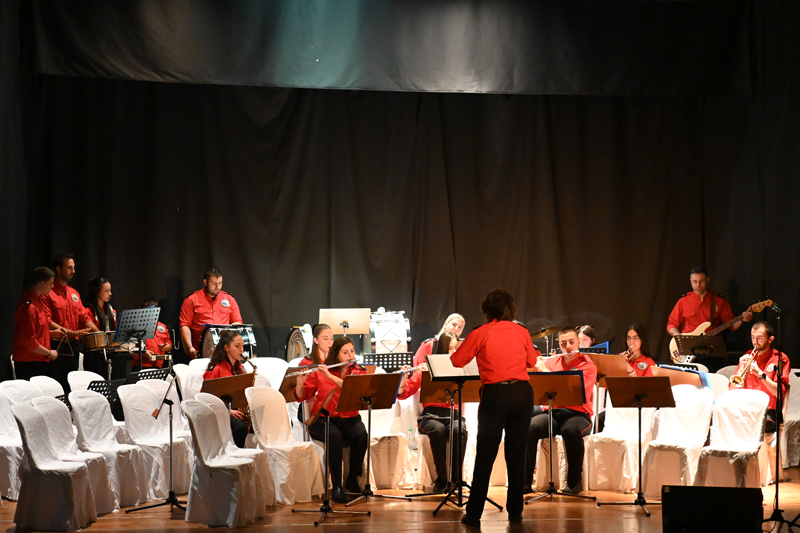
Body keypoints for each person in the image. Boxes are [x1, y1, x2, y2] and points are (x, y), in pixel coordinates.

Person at [450, 289, 538, 526]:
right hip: (522, 393)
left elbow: (457, 361)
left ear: (487, 310)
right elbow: (531, 361)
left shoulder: (481, 332)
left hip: (495, 395)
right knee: (517, 454)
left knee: (486, 453)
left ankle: (474, 513)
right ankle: (515, 512)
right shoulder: (521, 331)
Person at [294, 336, 369, 504]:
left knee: (361, 435)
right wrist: (299, 384)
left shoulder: (358, 371)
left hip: (349, 418)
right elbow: (303, 396)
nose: (350, 355)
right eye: (345, 352)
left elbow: (352, 388)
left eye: (352, 351)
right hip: (323, 418)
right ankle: (336, 485)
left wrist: (329, 376)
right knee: (334, 436)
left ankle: (352, 479)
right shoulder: (321, 371)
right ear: (336, 355)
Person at [526, 327, 597, 495]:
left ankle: (574, 483)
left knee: (570, 430)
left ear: (579, 343)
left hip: (578, 414)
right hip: (554, 412)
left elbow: (573, 392)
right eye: (563, 344)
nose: (568, 347)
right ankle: (524, 483)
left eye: (572, 342)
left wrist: (545, 371)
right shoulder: (552, 362)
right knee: (530, 427)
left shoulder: (588, 365)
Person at [398, 330, 467, 493]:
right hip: (431, 415)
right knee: (438, 430)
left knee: (459, 430)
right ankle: (441, 479)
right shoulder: (427, 368)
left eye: (456, 348)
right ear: (442, 349)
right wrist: (403, 378)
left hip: (452, 414)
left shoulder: (460, 368)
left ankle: (456, 479)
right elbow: (404, 393)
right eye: (450, 348)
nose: (454, 352)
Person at [667, 266, 752, 362]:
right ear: (690, 281)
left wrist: (742, 319)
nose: (698, 285)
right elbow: (672, 324)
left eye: (701, 281)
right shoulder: (683, 301)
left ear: (708, 280)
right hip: (689, 349)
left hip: (711, 350)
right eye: (695, 281)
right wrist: (678, 337)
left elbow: (731, 325)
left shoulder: (719, 300)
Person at [42, 254, 99, 392]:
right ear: (58, 269)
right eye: (69, 268)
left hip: (72, 346)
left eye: (74, 267)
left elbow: (84, 317)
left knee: (71, 386)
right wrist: (72, 332)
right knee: (55, 386)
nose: (73, 271)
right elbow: (47, 321)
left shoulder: (74, 293)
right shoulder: (48, 292)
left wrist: (98, 333)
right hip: (56, 345)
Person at [729, 321, 790, 434]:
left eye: (759, 338)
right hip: (746, 408)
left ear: (770, 339)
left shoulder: (780, 358)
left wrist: (760, 374)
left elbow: (780, 393)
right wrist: (741, 368)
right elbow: (731, 390)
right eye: (753, 337)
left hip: (768, 412)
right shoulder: (748, 356)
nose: (755, 342)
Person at [179, 267, 243, 359]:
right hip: (200, 352)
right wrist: (189, 348)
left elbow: (237, 323)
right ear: (205, 282)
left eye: (220, 283)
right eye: (214, 283)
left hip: (225, 351)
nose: (218, 287)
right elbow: (185, 326)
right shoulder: (192, 299)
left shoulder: (230, 299)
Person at [203, 330, 249, 448]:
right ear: (227, 348)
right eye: (237, 346)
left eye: (242, 346)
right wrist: (228, 411)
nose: (241, 350)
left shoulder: (239, 368)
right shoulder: (216, 369)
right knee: (240, 428)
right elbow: (206, 398)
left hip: (234, 409)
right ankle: (235, 453)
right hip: (218, 412)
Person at [13, 267, 60, 381]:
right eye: (51, 283)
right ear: (42, 284)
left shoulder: (38, 301)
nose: (53, 286)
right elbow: (28, 341)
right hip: (29, 363)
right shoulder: (29, 307)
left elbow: (37, 331)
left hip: (38, 361)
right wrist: (49, 352)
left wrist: (52, 334)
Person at [84, 277, 120, 378]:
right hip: (94, 355)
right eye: (107, 291)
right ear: (97, 292)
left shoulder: (112, 310)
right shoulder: (88, 311)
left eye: (110, 291)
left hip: (110, 352)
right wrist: (102, 334)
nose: (110, 294)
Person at [137, 296, 173, 372]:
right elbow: (130, 348)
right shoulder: (137, 327)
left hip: (159, 365)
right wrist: (144, 352)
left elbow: (169, 344)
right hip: (142, 365)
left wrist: (166, 347)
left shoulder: (162, 326)